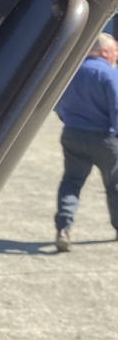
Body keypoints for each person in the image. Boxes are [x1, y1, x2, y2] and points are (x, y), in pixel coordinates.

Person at [53, 32, 118, 251]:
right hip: (104, 138)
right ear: (105, 52)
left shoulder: (71, 71)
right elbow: (117, 108)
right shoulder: (109, 73)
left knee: (71, 181)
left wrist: (68, 119)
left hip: (73, 134)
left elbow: (56, 102)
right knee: (114, 184)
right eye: (115, 51)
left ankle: (63, 228)